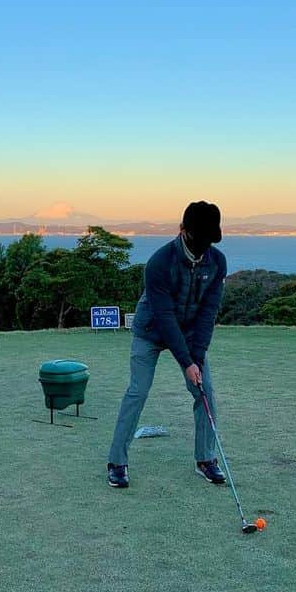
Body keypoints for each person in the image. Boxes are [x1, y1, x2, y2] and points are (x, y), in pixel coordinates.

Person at [106, 201, 228, 488]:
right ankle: (117, 462)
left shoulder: (217, 262)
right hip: (150, 330)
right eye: (199, 238)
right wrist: (186, 363)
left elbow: (208, 313)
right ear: (183, 230)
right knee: (137, 392)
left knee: (205, 391)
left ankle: (206, 459)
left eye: (208, 240)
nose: (203, 246)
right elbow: (164, 316)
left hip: (188, 334)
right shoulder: (160, 263)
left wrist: (196, 357)